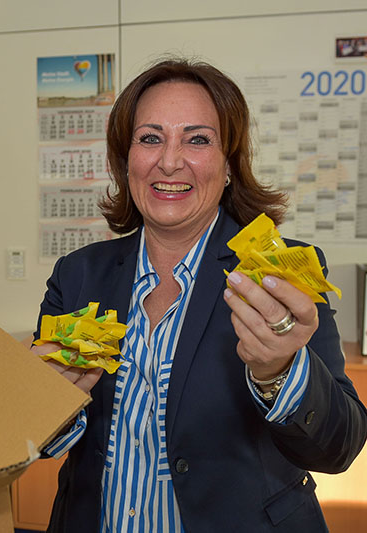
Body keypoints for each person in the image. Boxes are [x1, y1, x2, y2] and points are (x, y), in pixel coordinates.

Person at [32, 59, 367, 532]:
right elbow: (38, 440)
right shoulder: (78, 275)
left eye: (197, 139)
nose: (170, 161)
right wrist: (44, 406)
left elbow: (340, 448)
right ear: (125, 159)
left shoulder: (275, 275)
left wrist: (280, 373)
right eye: (150, 138)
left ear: (229, 164)